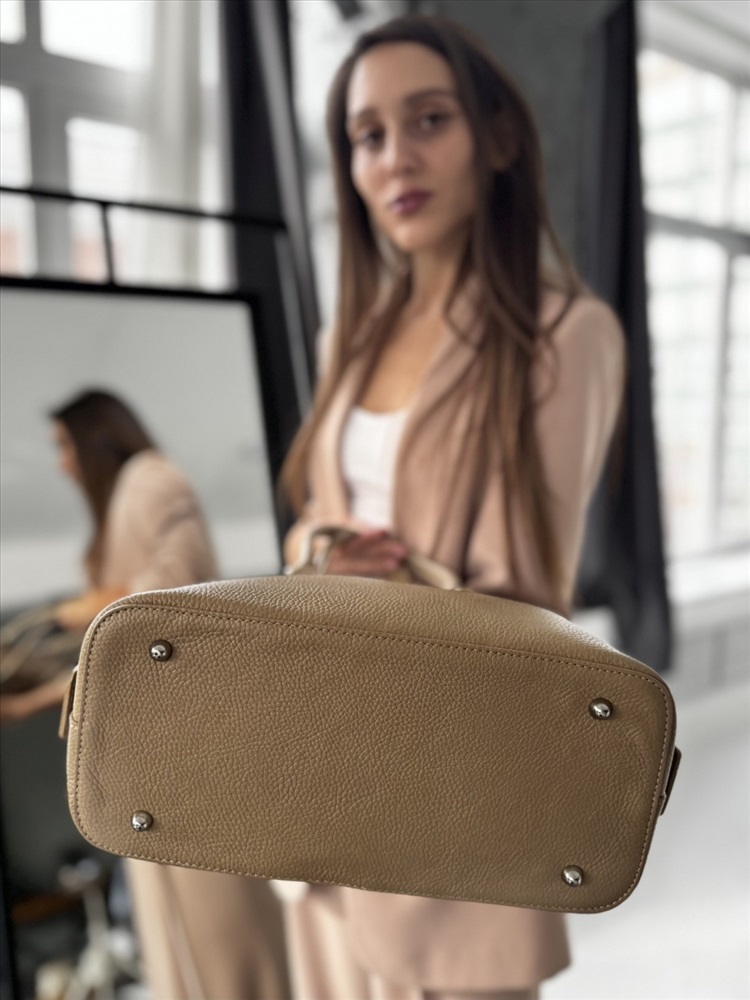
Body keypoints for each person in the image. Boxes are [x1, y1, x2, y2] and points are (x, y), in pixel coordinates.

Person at [280, 14, 626, 1000]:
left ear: (497, 138)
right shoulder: (349, 338)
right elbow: (315, 519)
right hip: (318, 777)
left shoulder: (565, 338)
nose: (397, 157)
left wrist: (375, 588)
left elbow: (526, 602)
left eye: (429, 119)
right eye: (368, 135)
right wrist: (323, 556)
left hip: (454, 783)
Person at [2, 390, 290, 999]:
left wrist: (89, 604)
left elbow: (179, 592)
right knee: (179, 940)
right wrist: (30, 701)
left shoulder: (153, 480)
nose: (60, 464)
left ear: (96, 437)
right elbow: (110, 663)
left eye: (64, 446)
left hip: (191, 754)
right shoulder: (120, 509)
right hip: (148, 764)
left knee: (226, 934)